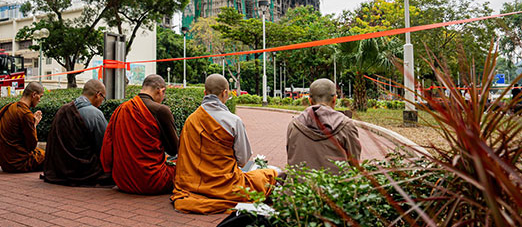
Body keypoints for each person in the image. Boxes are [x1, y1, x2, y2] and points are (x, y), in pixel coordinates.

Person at [171, 74, 278, 214]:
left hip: (192, 184)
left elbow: (183, 156)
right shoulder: (233, 121)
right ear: (225, 93)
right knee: (271, 174)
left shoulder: (191, 120)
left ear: (205, 93)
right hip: (226, 185)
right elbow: (243, 159)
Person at [100, 74, 178, 194]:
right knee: (187, 170)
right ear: (161, 91)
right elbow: (174, 149)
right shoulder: (161, 110)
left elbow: (108, 144)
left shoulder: (121, 109)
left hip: (122, 180)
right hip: (152, 180)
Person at [42, 79, 113, 186]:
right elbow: (104, 146)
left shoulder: (63, 110)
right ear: (98, 95)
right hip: (84, 169)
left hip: (60, 168)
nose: (102, 102)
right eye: (103, 98)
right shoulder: (95, 114)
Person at [286, 78, 361, 173]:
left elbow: (291, 158)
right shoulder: (347, 125)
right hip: (337, 182)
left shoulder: (294, 125)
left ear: (310, 100)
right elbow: (355, 164)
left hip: (300, 182)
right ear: (334, 99)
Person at [0, 82, 46, 172]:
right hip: (18, 163)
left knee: (41, 153)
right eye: (40, 96)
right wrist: (34, 124)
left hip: (4, 162)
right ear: (34, 95)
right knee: (51, 157)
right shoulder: (25, 114)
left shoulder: (8, 107)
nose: (39, 100)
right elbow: (31, 145)